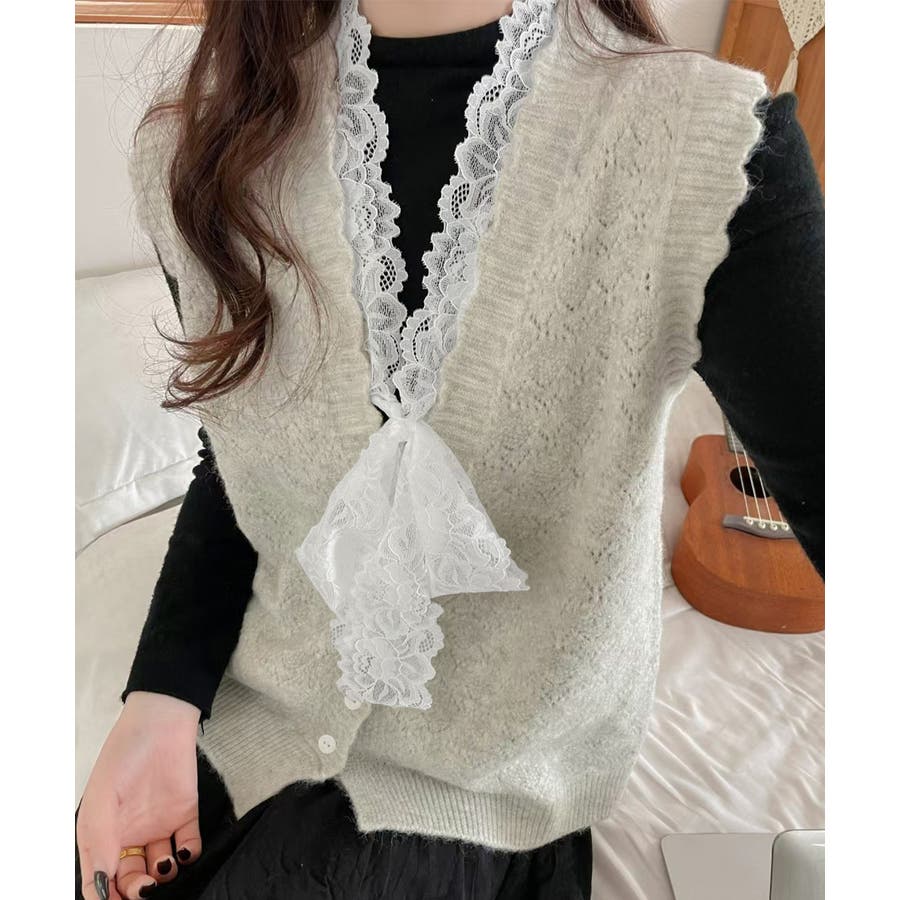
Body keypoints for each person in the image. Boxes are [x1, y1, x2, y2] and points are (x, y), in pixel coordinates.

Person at [75, 0, 825, 897]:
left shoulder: (707, 152)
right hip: (243, 724)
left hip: (479, 791)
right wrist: (158, 702)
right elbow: (238, 460)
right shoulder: (200, 153)